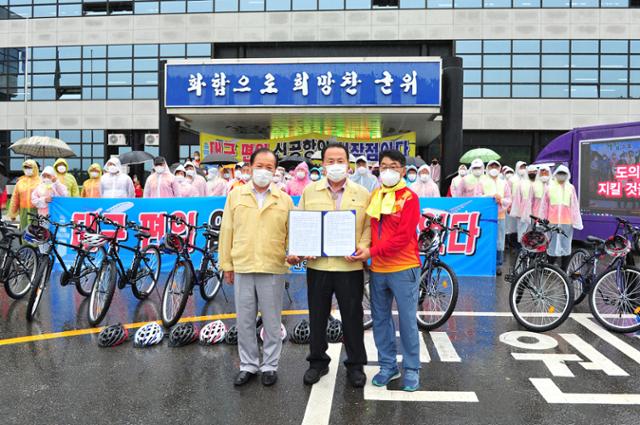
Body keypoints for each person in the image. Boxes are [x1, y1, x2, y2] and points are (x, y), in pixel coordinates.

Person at [290, 142, 371, 389]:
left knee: (352, 317)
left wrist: (363, 247)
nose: (335, 165)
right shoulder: (310, 192)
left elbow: (368, 226)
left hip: (350, 267)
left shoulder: (362, 193)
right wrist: (299, 250)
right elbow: (300, 222)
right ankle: (317, 362)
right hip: (318, 266)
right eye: (330, 161)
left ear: (348, 164)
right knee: (317, 316)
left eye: (340, 161)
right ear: (323, 164)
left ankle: (355, 365)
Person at [348, 149, 422, 392]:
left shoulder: (409, 198)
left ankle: (411, 369)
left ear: (402, 169)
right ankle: (388, 365)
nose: (387, 170)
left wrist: (371, 251)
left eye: (393, 166)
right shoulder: (376, 195)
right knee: (380, 320)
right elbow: (368, 229)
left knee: (408, 320)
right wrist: (361, 248)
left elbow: (403, 237)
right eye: (383, 166)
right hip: (378, 268)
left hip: (403, 267)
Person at [219, 148, 294, 387]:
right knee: (245, 320)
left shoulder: (284, 199)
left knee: (272, 322)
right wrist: (226, 265)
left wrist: (294, 253)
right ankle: (249, 364)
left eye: (269, 168)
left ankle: (270, 365)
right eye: (259, 166)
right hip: (243, 264)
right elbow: (227, 231)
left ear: (276, 171)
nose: (264, 171)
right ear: (249, 168)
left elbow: (293, 233)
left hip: (273, 265)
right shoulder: (236, 195)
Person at [538, 165, 583, 269]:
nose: (561, 176)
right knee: (551, 246)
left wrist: (577, 222)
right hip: (552, 222)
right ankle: (550, 268)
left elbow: (574, 206)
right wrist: (541, 221)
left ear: (567, 175)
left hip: (566, 222)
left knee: (566, 246)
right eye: (560, 173)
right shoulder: (549, 187)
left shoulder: (570, 188)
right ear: (555, 174)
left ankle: (564, 270)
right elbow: (544, 206)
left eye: (564, 174)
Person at [484, 160, 512, 275]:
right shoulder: (482, 182)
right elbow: (477, 195)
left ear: (500, 168)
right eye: (492, 166)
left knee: (499, 241)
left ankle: (498, 264)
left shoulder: (504, 183)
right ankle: (486, 263)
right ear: (488, 168)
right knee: (486, 239)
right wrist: (491, 197)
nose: (494, 168)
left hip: (500, 216)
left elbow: (509, 199)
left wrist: (501, 200)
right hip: (486, 216)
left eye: (496, 166)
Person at [8, 160, 41, 229]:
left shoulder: (40, 181)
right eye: (26, 167)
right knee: (24, 231)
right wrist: (12, 214)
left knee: (36, 232)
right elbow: (15, 198)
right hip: (23, 211)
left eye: (30, 167)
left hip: (37, 211)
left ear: (34, 168)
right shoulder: (20, 182)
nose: (27, 169)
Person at [510, 164, 537, 243]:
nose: (532, 173)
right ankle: (523, 248)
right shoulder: (521, 184)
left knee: (536, 231)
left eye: (534, 172)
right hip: (523, 212)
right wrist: (517, 212)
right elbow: (517, 199)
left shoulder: (540, 184)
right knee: (523, 230)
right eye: (530, 172)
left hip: (537, 212)